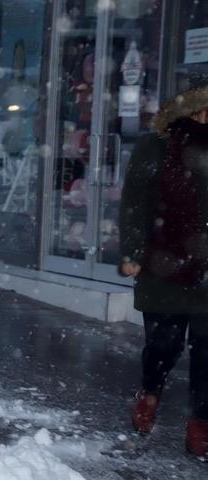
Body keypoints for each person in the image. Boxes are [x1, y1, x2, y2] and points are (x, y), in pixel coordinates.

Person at [120, 74, 208, 458]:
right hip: (164, 268)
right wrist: (132, 253)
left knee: (207, 354)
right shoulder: (155, 147)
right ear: (191, 108)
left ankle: (200, 425)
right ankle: (150, 392)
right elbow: (136, 203)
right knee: (162, 347)